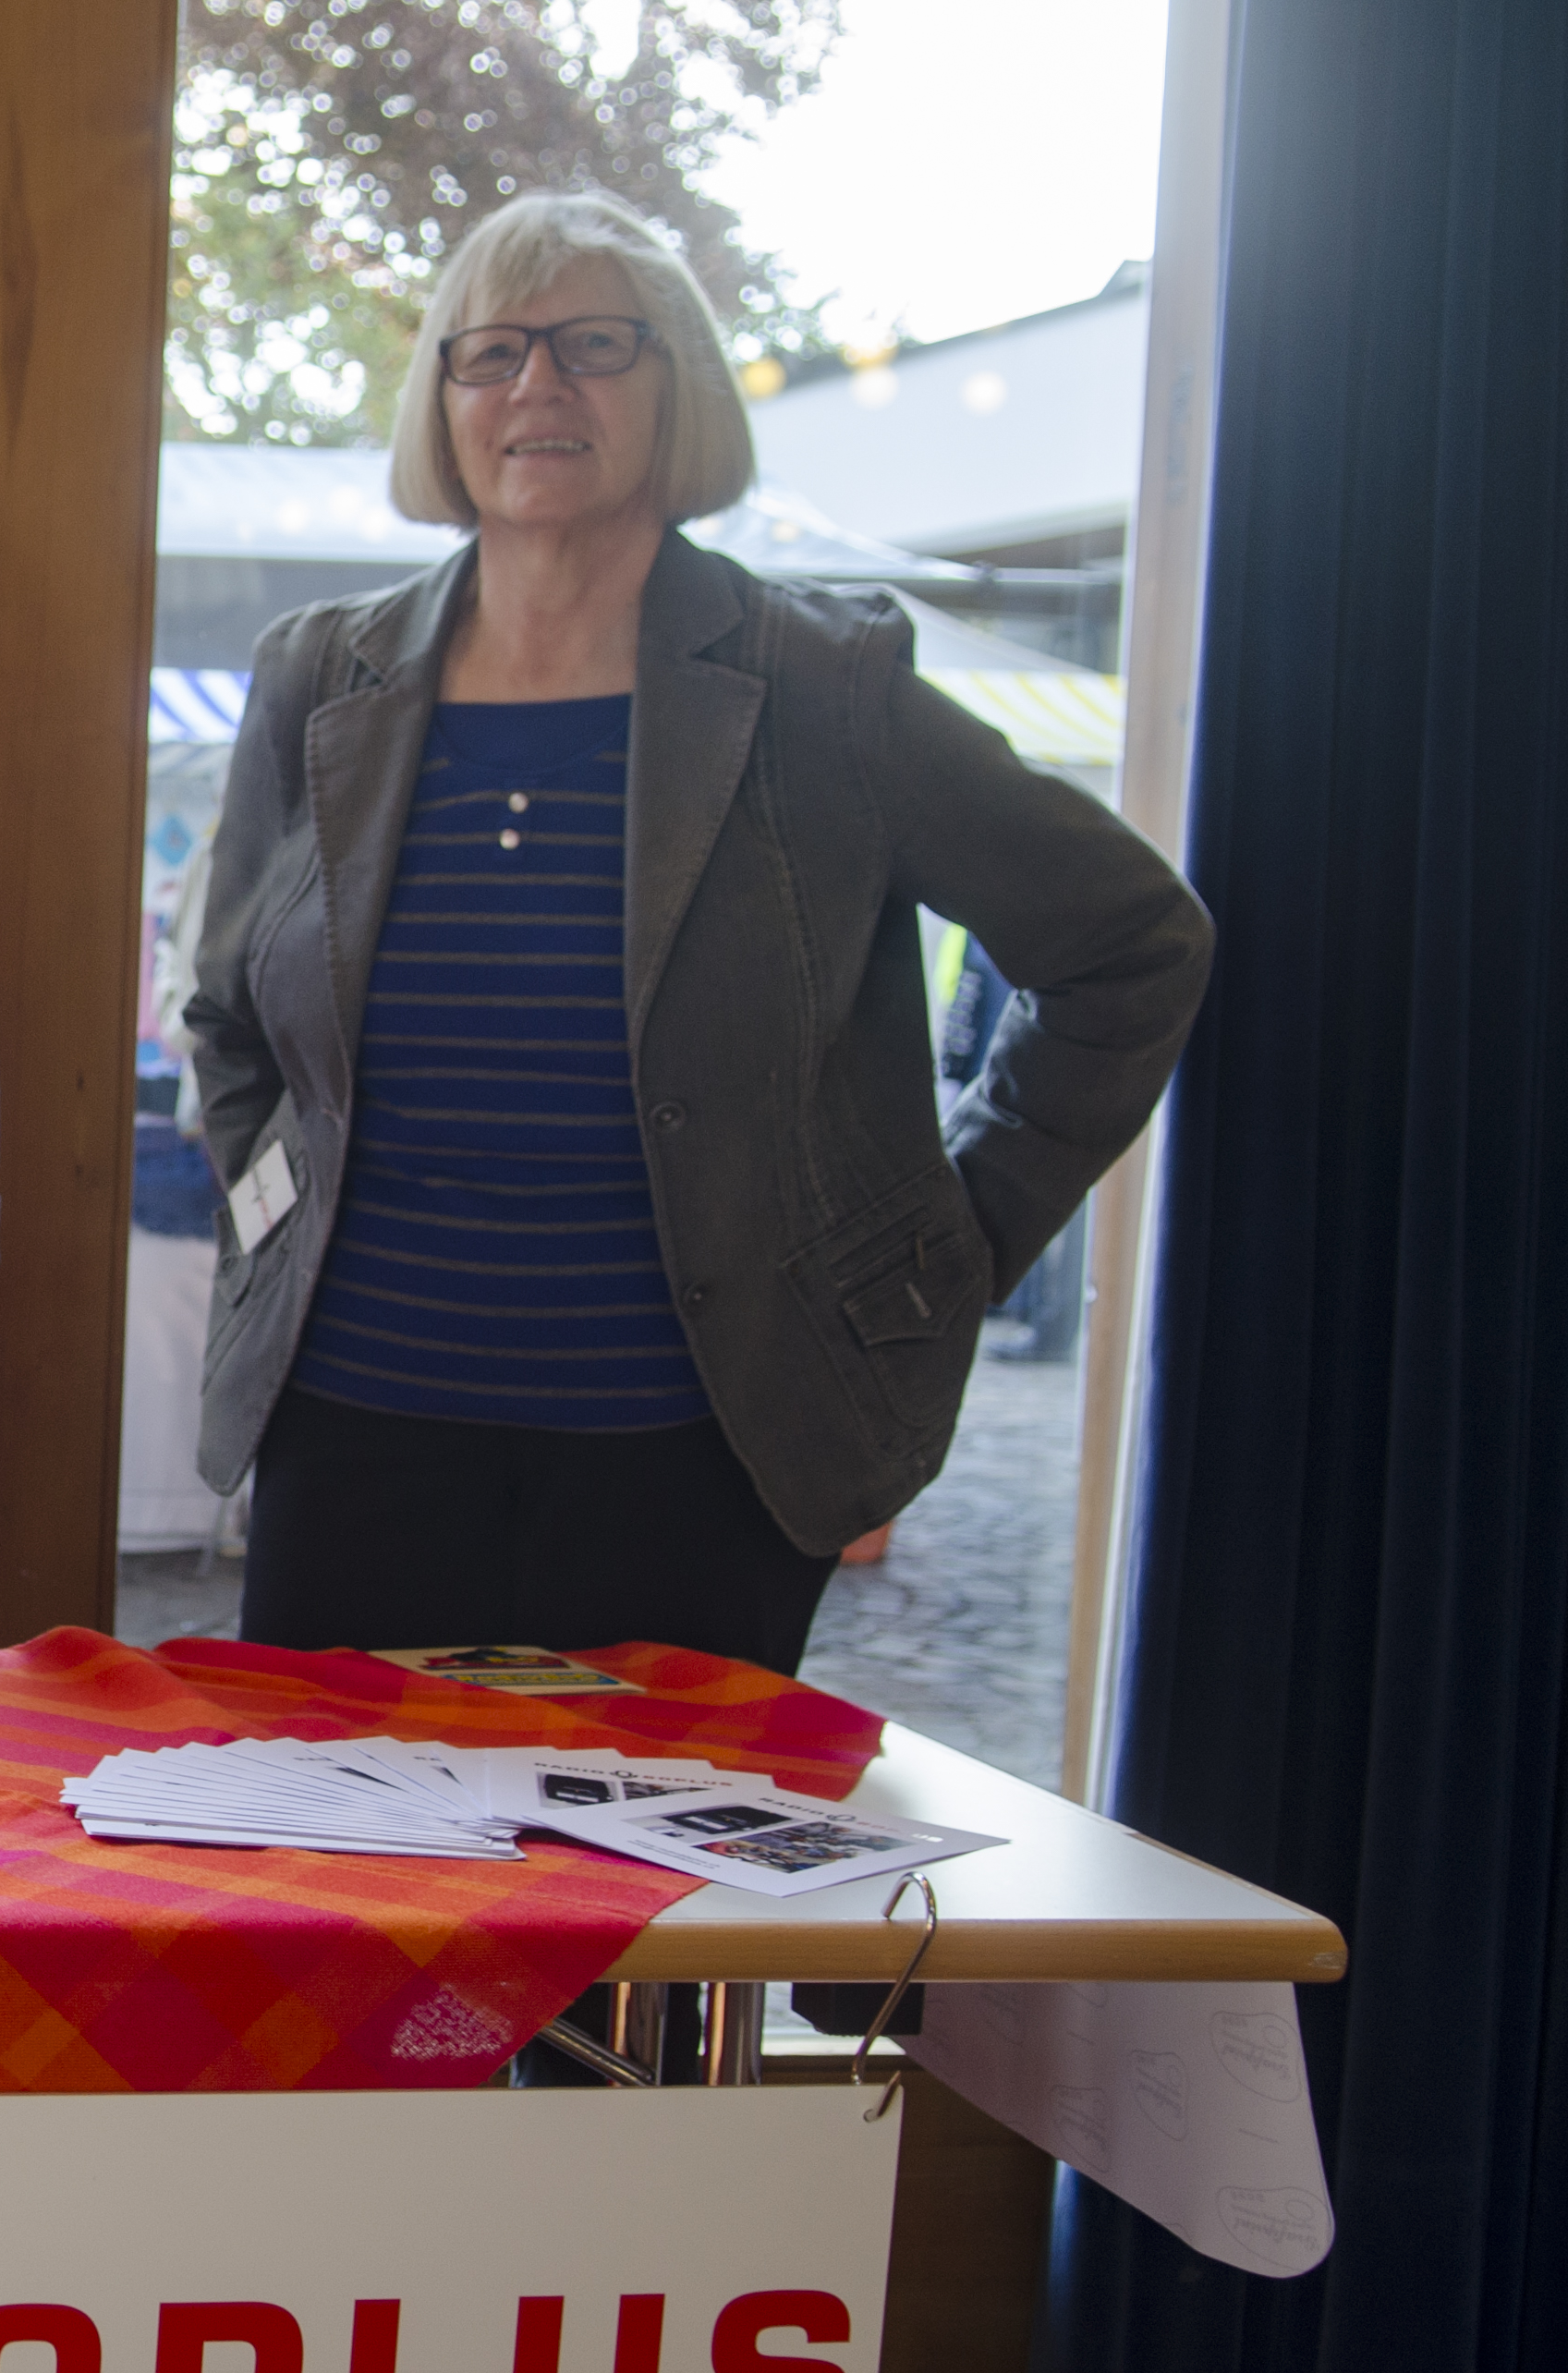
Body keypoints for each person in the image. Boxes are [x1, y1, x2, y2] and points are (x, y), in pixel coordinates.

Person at [181, 190, 1209, 1673]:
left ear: (678, 396)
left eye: (595, 345)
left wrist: (943, 1247)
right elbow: (229, 1020)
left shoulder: (818, 688)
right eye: (491, 354)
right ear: (442, 401)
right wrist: (283, 1218)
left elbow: (1131, 947)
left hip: (696, 1460)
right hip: (351, 1440)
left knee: (662, 1898)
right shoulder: (316, 675)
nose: (537, 386)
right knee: (351, 1893)